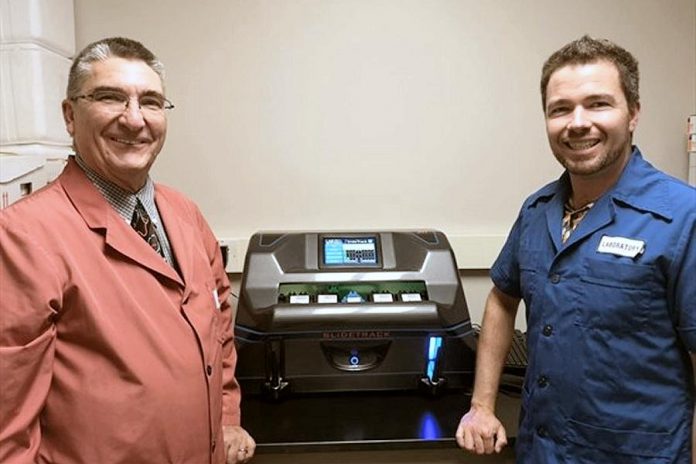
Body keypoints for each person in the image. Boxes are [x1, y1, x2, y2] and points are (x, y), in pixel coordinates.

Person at [0, 37, 256, 463]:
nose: (134, 119)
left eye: (151, 102)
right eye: (110, 97)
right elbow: (7, 426)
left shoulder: (184, 212)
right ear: (69, 115)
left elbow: (220, 331)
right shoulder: (22, 236)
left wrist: (227, 414)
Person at [456, 35, 695, 463]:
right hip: (541, 450)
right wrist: (482, 406)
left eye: (598, 104)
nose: (577, 122)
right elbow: (501, 297)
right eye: (560, 109)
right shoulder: (536, 210)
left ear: (634, 113)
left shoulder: (682, 217)